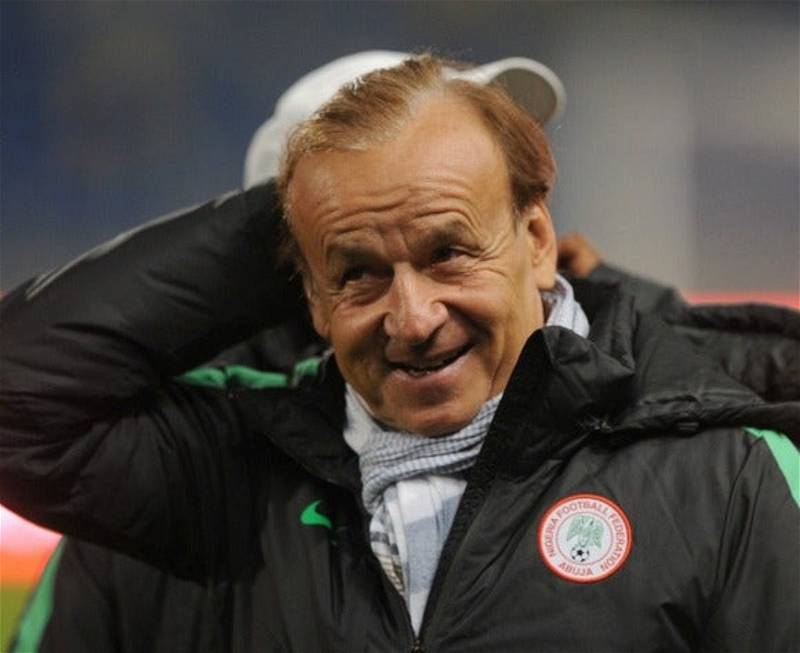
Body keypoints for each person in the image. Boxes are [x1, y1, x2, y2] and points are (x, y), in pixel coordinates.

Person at [1, 54, 797, 653]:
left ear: (535, 235)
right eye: (357, 268)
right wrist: (322, 206)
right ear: (301, 289)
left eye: (450, 247)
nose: (414, 318)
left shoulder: (722, 469)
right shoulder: (226, 472)